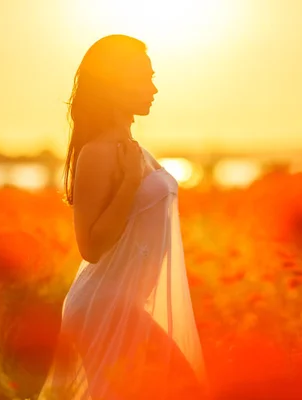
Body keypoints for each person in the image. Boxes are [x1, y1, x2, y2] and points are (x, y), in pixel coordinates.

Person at [38, 34, 209, 400]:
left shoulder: (133, 149)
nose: (155, 88)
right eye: (145, 78)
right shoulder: (98, 153)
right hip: (104, 305)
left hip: (122, 304)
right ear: (116, 84)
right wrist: (130, 183)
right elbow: (91, 246)